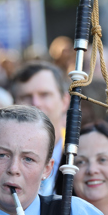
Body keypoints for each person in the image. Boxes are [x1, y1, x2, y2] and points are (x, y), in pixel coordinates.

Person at [12, 62, 68, 196]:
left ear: (65, 101)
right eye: (26, 97)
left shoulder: (82, 156)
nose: (35, 103)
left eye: (44, 94)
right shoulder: (2, 161)